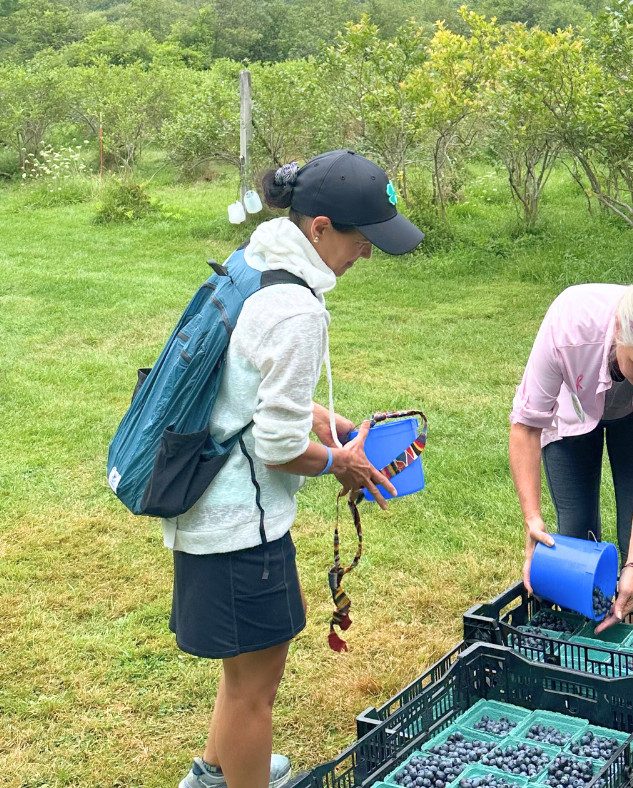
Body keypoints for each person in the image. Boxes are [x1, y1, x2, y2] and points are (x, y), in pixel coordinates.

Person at [171, 150, 424, 788]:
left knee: (240, 672)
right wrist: (340, 462)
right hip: (241, 527)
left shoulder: (252, 262)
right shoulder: (299, 311)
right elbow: (276, 449)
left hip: (205, 506)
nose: (366, 253)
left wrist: (321, 422)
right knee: (257, 690)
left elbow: (247, 380)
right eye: (361, 238)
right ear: (319, 229)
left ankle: (212, 774)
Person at [508, 256, 633, 631]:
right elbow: (527, 425)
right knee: (575, 529)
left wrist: (632, 567)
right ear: (619, 332)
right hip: (575, 410)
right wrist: (532, 520)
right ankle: (580, 641)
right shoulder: (570, 323)